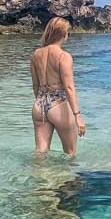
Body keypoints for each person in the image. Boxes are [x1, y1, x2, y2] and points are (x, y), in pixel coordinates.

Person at [30, 17, 85, 155]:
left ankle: (39, 176)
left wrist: (42, 102)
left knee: (40, 153)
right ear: (64, 33)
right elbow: (69, 88)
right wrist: (77, 115)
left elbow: (35, 85)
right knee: (70, 153)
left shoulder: (36, 55)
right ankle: (69, 177)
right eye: (68, 33)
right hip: (59, 104)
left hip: (40, 105)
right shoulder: (63, 56)